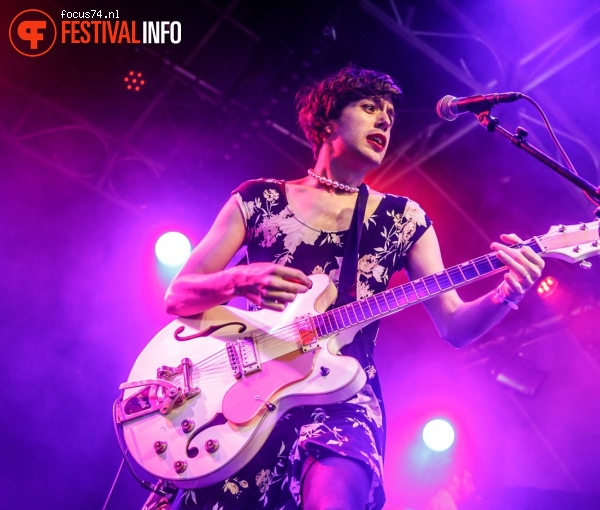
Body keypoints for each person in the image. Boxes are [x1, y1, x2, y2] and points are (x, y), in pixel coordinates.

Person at [143, 65, 544, 510]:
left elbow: (454, 325)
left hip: (340, 397)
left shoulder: (402, 218)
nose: (385, 120)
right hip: (245, 398)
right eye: (370, 107)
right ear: (327, 122)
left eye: (390, 114)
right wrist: (239, 278)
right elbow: (177, 296)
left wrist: (507, 293)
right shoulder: (258, 199)